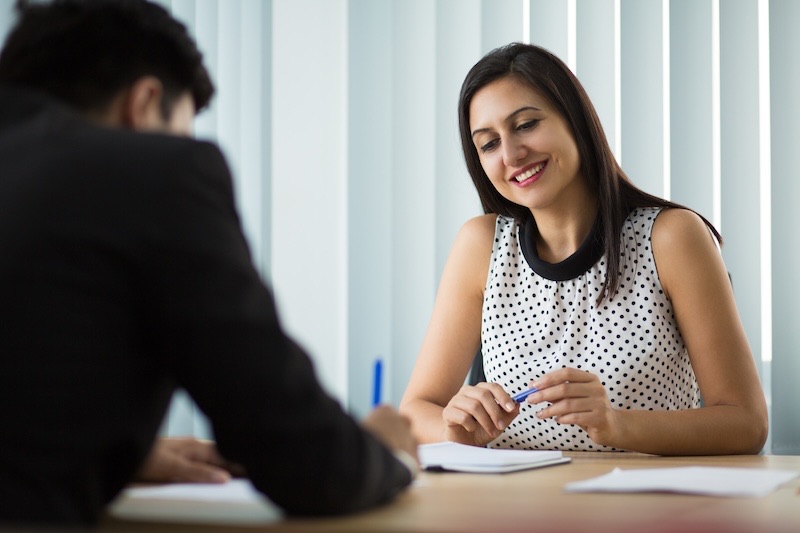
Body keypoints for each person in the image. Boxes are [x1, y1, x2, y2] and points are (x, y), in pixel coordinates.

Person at [0, 0, 417, 526]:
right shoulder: (151, 174)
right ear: (145, 104)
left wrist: (122, 458)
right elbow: (305, 461)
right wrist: (385, 450)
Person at [399, 42, 768, 456]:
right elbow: (414, 411)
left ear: (574, 120)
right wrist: (454, 428)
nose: (511, 154)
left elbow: (746, 423)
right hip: (509, 508)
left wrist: (616, 424)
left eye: (525, 124)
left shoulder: (672, 237)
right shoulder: (480, 245)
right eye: (488, 143)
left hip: (643, 510)